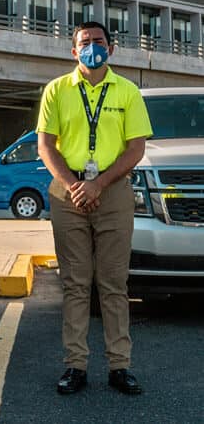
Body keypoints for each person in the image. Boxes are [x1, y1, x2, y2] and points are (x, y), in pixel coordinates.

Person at [36, 20, 152, 396]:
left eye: (98, 42)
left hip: (113, 189)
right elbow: (46, 146)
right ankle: (75, 366)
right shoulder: (56, 90)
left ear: (111, 48)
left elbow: (136, 149)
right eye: (84, 42)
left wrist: (98, 184)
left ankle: (120, 366)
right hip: (67, 191)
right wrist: (75, 185)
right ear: (73, 51)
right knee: (75, 283)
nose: (92, 47)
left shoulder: (128, 92)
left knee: (114, 283)